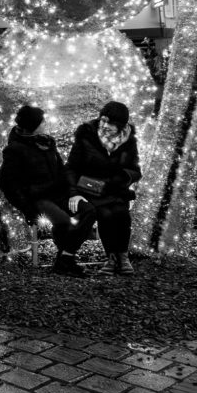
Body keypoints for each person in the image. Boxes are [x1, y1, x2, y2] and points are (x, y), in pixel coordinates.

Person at [0, 105, 85, 277]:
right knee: (65, 221)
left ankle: (65, 258)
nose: (46, 123)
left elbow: (61, 169)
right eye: (42, 122)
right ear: (33, 125)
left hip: (57, 193)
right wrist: (27, 208)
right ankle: (65, 261)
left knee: (87, 211)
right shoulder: (15, 149)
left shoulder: (47, 142)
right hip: (38, 197)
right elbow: (8, 183)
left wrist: (72, 188)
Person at [65, 101, 142, 276]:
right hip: (91, 189)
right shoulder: (86, 135)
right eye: (103, 120)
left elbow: (135, 170)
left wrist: (122, 178)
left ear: (121, 125)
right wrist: (73, 192)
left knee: (121, 213)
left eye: (111, 123)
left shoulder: (129, 140)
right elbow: (71, 167)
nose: (105, 126)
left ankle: (122, 257)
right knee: (105, 213)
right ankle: (111, 258)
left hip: (115, 189)